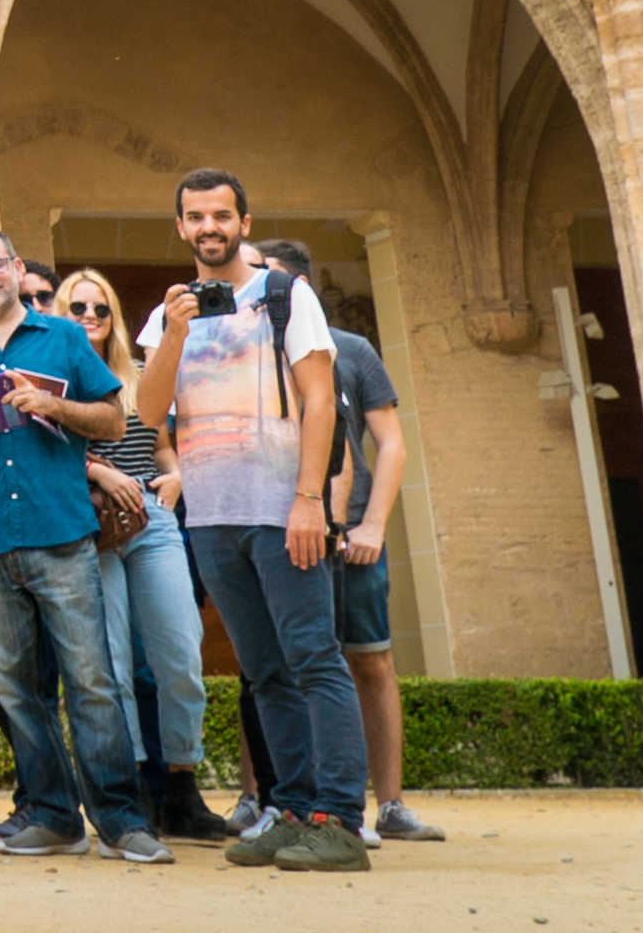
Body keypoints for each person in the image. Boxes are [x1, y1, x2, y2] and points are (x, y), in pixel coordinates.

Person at [130, 176, 367, 874]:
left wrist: (308, 502)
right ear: (180, 227)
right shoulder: (167, 315)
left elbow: (321, 401)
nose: (210, 226)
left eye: (222, 215)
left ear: (244, 221)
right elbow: (146, 415)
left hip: (280, 508)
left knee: (314, 659)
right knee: (264, 672)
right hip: (210, 515)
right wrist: (174, 334)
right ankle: (293, 811)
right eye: (196, 217)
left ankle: (342, 821)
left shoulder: (286, 295)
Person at [0, 227, 162, 863]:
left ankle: (121, 820)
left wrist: (55, 409)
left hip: (60, 532)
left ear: (15, 267)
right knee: (15, 686)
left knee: (92, 680)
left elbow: (113, 419)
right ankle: (55, 816)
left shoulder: (62, 337)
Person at [248, 239, 437, 845]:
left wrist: (374, 525)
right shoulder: (244, 348)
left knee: (370, 661)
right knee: (270, 664)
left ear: (299, 289)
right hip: (272, 530)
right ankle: (263, 800)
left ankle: (390, 804)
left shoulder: (350, 350)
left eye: (267, 281)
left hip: (350, 534)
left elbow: (391, 444)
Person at [54, 267, 223, 844]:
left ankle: (181, 786)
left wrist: (176, 477)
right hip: (90, 529)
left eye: (100, 309)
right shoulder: (52, 377)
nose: (89, 319)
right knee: (113, 667)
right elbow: (38, 454)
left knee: (181, 655)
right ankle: (127, 795)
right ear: (60, 313)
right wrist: (98, 468)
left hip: (151, 522)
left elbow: (161, 445)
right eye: (77, 308)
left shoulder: (139, 373)